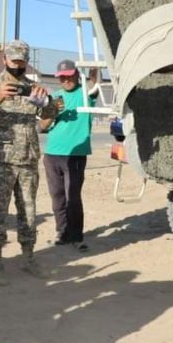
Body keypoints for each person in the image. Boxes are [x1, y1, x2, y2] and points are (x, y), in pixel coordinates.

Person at [0, 40, 58, 286]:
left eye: (22, 61)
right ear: (4, 59)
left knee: (29, 212)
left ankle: (28, 258)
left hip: (28, 160)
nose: (18, 65)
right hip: (3, 162)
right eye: (14, 60)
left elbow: (45, 123)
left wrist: (48, 105)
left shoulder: (33, 88)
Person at [38, 60, 97, 252]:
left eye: (69, 75)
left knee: (73, 196)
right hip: (52, 154)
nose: (66, 79)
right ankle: (61, 233)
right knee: (57, 197)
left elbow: (94, 81)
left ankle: (76, 236)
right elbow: (42, 126)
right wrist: (53, 112)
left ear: (76, 74)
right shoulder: (55, 97)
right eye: (62, 77)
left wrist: (94, 63)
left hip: (76, 155)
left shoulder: (86, 94)